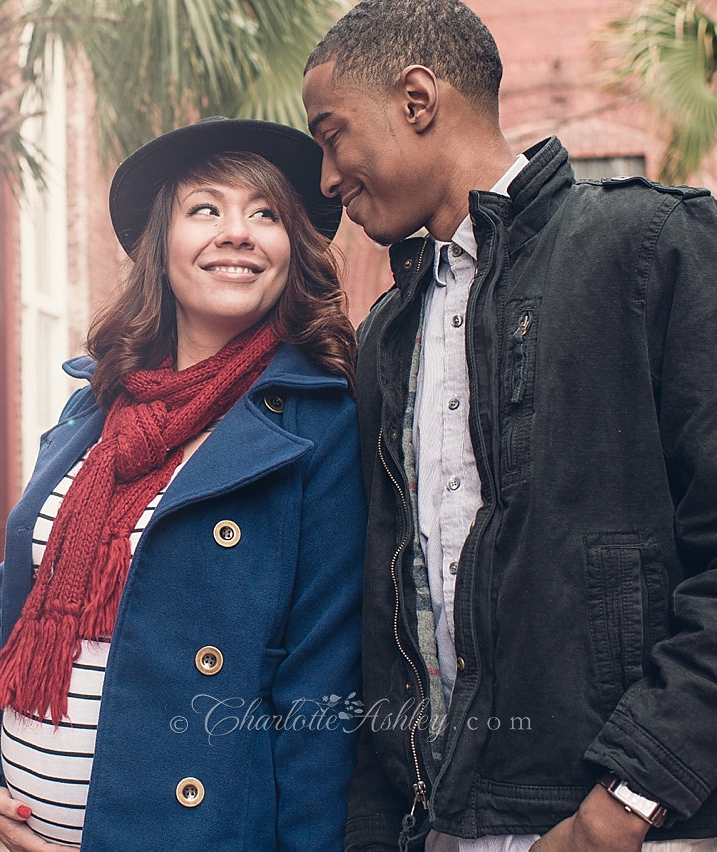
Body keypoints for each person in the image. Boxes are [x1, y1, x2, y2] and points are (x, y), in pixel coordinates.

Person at [299, 2, 717, 851]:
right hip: (442, 828)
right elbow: (387, 612)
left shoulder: (647, 244)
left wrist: (629, 797)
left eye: (331, 134)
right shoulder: (387, 332)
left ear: (417, 100)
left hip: (628, 823)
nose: (326, 177)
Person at [0, 117, 366, 851]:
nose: (236, 232)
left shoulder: (318, 424)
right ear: (159, 244)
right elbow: (8, 601)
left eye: (264, 214)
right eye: (205, 208)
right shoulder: (96, 403)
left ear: (291, 249)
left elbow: (320, 690)